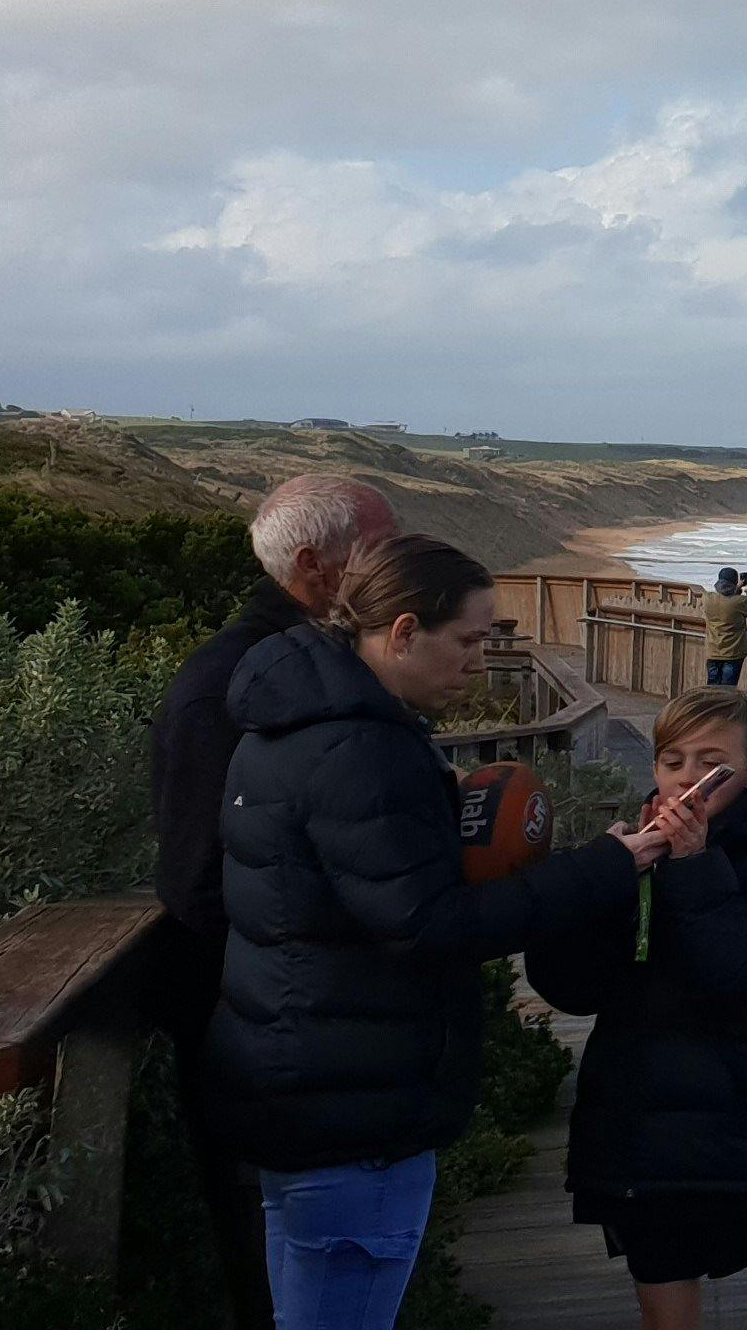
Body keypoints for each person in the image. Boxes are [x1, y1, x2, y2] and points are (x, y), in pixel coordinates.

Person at [212, 534, 690, 1327]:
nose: (478, 661)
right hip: (356, 1104)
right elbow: (427, 925)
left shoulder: (290, 722)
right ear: (402, 632)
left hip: (297, 1077)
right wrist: (605, 866)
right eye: (467, 640)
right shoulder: (365, 749)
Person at [525, 688, 747, 1329]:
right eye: (672, 760)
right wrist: (597, 881)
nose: (687, 778)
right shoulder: (638, 851)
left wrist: (693, 864)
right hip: (643, 1131)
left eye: (710, 762)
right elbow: (575, 989)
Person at [150, 472, 393, 1330]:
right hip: (267, 1044)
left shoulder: (312, 670)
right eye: (379, 546)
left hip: (297, 1038)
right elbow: (195, 883)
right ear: (315, 568)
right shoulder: (231, 687)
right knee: (281, 1282)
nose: (395, 561)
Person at [700, 568, 747, 688]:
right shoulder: (739, 601)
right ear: (734, 582)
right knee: (728, 689)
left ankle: (711, 706)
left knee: (712, 687)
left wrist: (736, 588)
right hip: (732, 652)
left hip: (713, 650)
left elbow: (724, 597)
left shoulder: (707, 598)